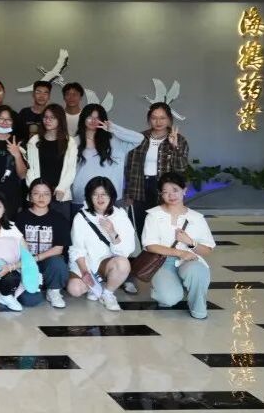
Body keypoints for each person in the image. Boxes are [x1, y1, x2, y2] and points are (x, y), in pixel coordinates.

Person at [141, 172, 215, 320]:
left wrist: (191, 243)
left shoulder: (196, 218)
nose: (171, 195)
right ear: (161, 194)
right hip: (162, 262)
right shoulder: (154, 215)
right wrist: (180, 253)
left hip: (190, 261)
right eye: (166, 192)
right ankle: (173, 287)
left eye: (175, 190)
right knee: (168, 299)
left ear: (184, 190)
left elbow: (207, 249)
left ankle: (199, 309)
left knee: (197, 271)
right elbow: (150, 246)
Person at [66, 177, 136, 312]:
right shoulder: (81, 217)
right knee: (75, 289)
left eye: (104, 194)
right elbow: (77, 249)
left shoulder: (120, 216)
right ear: (89, 197)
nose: (100, 198)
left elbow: (126, 251)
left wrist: (112, 232)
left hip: (107, 263)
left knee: (123, 264)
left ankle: (108, 293)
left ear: (111, 196)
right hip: (86, 263)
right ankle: (95, 287)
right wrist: (85, 272)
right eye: (95, 194)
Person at [124, 102, 190, 237]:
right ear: (149, 119)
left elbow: (181, 168)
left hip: (163, 188)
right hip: (140, 186)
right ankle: (147, 250)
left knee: (163, 226)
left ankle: (161, 251)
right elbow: (130, 168)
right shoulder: (139, 138)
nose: (158, 122)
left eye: (162, 118)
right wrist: (128, 193)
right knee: (141, 225)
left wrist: (175, 147)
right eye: (154, 118)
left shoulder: (179, 139)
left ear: (169, 119)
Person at [71, 104, 145, 210]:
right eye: (90, 117)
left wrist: (113, 128)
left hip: (111, 198)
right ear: (83, 118)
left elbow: (139, 138)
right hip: (81, 197)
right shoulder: (73, 142)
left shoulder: (116, 141)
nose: (93, 121)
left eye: (97, 118)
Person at [15, 179, 70, 309]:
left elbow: (58, 249)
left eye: (46, 193)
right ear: (30, 196)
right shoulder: (20, 218)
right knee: (30, 301)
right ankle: (34, 286)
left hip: (47, 263)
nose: (41, 197)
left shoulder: (59, 218)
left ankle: (54, 291)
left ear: (51, 196)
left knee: (58, 262)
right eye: (36, 193)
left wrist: (36, 258)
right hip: (25, 265)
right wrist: (26, 262)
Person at [25, 103, 78, 217]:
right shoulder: (34, 141)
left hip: (60, 195)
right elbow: (30, 168)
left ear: (60, 120)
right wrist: (35, 189)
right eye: (45, 117)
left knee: (61, 226)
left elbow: (71, 169)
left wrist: (61, 188)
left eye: (52, 117)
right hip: (38, 194)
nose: (47, 120)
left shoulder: (69, 142)